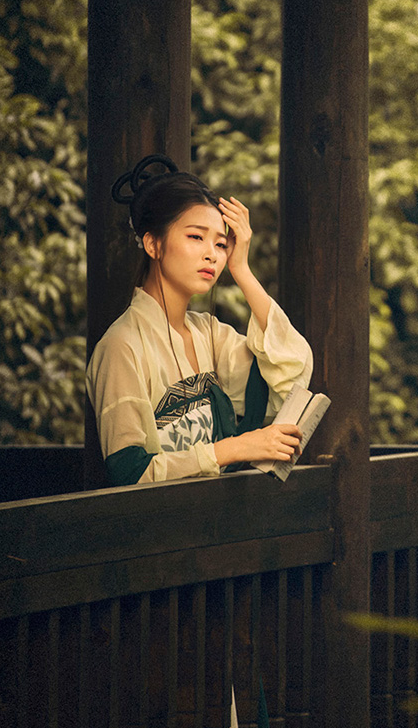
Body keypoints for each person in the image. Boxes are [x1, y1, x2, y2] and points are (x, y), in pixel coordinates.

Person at [87, 153, 313, 487]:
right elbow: (129, 472)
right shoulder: (122, 346)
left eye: (221, 244)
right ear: (154, 244)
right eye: (195, 237)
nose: (212, 254)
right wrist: (232, 449)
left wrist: (242, 269)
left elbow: (292, 372)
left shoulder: (209, 334)